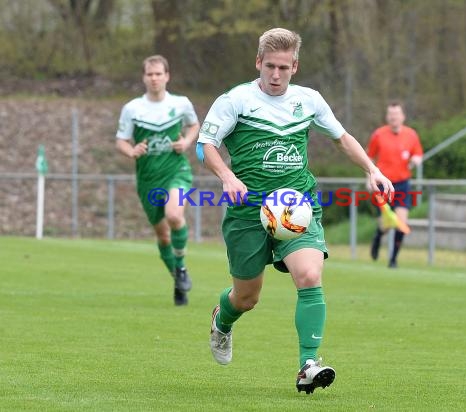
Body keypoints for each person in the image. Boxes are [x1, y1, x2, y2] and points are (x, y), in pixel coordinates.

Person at [196, 28, 394, 394]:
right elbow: (204, 144)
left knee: (308, 275)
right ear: (258, 62)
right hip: (247, 210)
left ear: (295, 67)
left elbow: (341, 138)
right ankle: (222, 320)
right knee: (247, 297)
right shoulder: (235, 100)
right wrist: (226, 176)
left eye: (283, 68)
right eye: (269, 66)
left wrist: (372, 169)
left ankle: (308, 363)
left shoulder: (309, 101)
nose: (275, 75)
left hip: (296, 206)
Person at [116, 55, 200, 306]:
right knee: (163, 236)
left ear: (167, 76)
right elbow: (120, 140)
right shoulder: (133, 108)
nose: (154, 78)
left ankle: (181, 269)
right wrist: (130, 151)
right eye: (149, 74)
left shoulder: (181, 103)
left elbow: (194, 126)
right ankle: (177, 278)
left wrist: (185, 141)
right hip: (148, 179)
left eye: (158, 74)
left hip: (177, 171)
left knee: (175, 216)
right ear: (144, 77)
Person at [367, 101, 423, 268]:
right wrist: (368, 177)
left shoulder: (411, 135)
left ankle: (393, 260)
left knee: (401, 222)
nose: (394, 117)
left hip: (402, 184)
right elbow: (369, 157)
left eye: (396, 114)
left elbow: (418, 154)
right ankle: (378, 237)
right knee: (385, 224)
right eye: (391, 114)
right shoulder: (379, 134)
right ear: (387, 117)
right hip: (383, 184)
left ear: (403, 116)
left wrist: (415, 160)